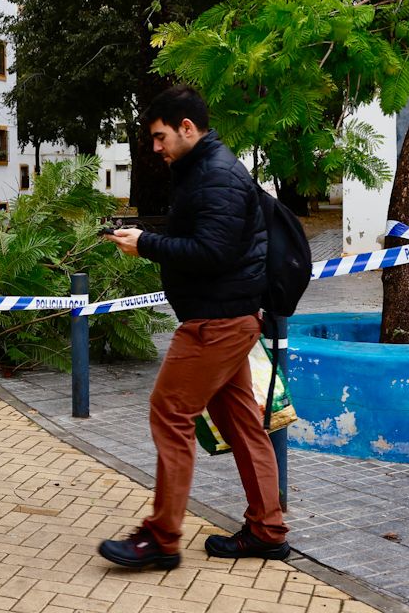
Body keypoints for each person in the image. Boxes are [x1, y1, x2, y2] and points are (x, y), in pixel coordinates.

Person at [97, 84, 288, 571]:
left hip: (216, 322)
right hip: (227, 316)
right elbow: (205, 238)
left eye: (160, 137)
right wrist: (152, 238)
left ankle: (161, 538)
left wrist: (148, 245)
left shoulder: (217, 176)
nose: (156, 148)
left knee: (170, 411)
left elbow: (212, 253)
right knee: (242, 424)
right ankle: (267, 530)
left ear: (187, 128)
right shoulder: (202, 170)